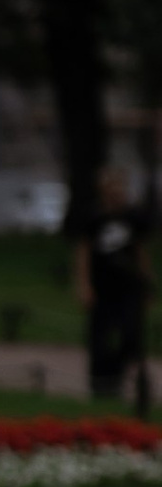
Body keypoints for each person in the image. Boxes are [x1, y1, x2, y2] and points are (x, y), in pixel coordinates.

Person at [76, 165, 154, 409]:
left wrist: (147, 282)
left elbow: (140, 251)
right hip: (102, 286)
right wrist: (84, 284)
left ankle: (119, 375)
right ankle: (100, 381)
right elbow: (83, 252)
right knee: (99, 336)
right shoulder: (93, 218)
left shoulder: (133, 218)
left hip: (129, 286)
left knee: (131, 333)